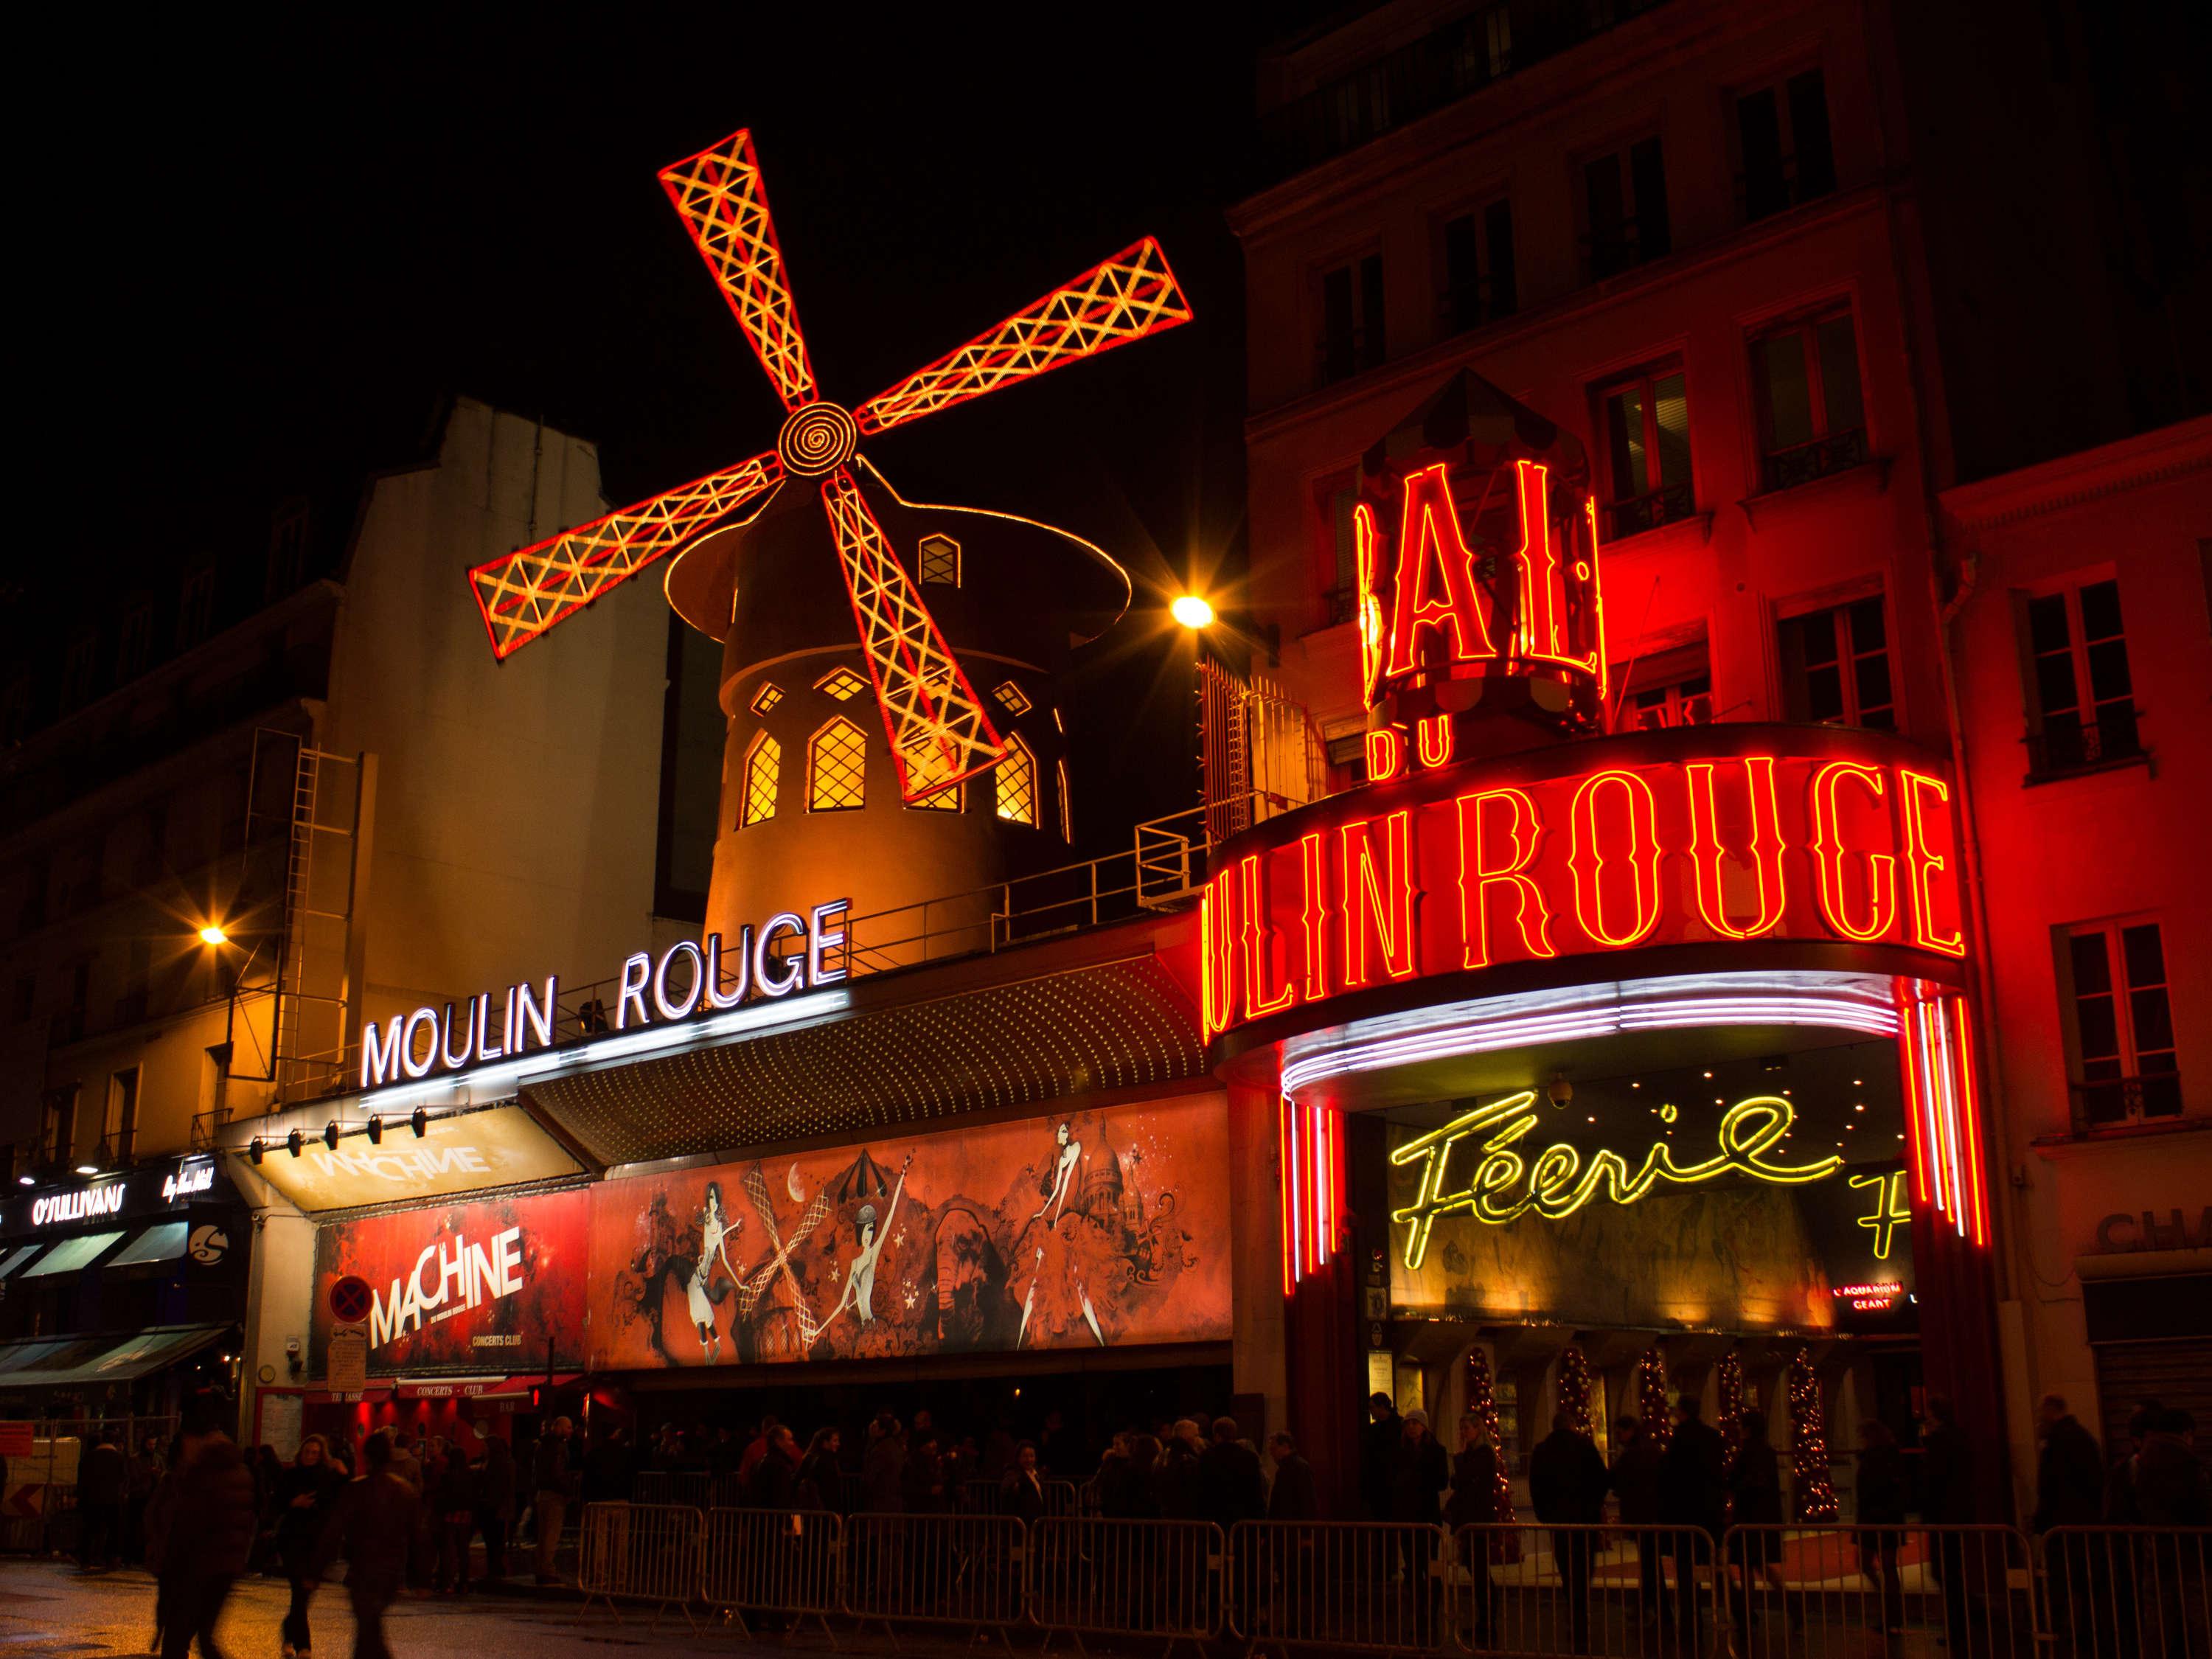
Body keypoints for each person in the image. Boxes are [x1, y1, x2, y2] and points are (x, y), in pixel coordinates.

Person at [156, 1406, 257, 1659]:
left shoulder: (203, 1472)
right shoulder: (238, 1469)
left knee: (178, 1638)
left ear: (195, 1439)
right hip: (225, 1566)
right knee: (204, 1636)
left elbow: (188, 1524)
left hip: (199, 1566)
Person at [316, 1432, 420, 1659]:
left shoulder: (357, 1489)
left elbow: (334, 1531)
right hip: (391, 1571)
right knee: (369, 1629)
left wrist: (316, 1569)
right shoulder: (404, 1490)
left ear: (367, 1458)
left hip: (364, 1569)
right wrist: (420, 1576)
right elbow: (418, 1535)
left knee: (368, 1630)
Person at [1531, 1411, 1608, 1654]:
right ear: (1572, 1424)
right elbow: (1601, 1479)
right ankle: (1581, 1607)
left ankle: (1573, 1605)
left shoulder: (1543, 1450)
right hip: (1585, 1518)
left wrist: (1544, 1514)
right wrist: (1594, 1506)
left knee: (1566, 1565)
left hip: (1558, 1519)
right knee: (1584, 1565)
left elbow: (1536, 1485)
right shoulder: (1584, 1447)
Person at [1657, 1394, 1725, 1652]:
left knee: (1687, 1572)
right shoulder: (1712, 1437)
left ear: (1683, 1412)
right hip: (1709, 1513)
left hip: (1686, 1514)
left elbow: (1669, 1476)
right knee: (1715, 1565)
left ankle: (1690, 1622)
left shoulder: (1680, 1440)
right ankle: (1740, 1609)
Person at [1725, 1409, 1792, 1633]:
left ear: (1748, 1429)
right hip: (1762, 1516)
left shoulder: (1749, 1453)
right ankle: (1786, 1605)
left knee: (1749, 1565)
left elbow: (1742, 1482)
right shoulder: (1766, 1452)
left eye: (1741, 1426)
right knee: (1757, 1565)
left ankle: (1750, 1609)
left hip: (1749, 1517)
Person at [276, 1436, 343, 1657]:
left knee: (304, 1595)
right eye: (308, 1452)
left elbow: (340, 1500)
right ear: (301, 1453)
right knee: (299, 1590)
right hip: (293, 1540)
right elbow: (276, 1502)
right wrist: (293, 1503)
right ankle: (304, 1646)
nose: (311, 1456)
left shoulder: (326, 1477)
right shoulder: (290, 1476)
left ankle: (288, 1632)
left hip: (316, 1543)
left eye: (315, 1452)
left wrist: (343, 1473)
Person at [1389, 1410, 1450, 1644]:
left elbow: (1441, 1481)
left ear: (1424, 1427)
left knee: (1430, 1567)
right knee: (1413, 1569)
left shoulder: (1436, 1451)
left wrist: (1418, 1478)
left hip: (1427, 1518)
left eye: (1416, 1423)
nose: (1412, 1427)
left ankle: (1431, 1615)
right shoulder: (1400, 1452)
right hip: (1408, 1518)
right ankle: (1417, 1615)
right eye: (1409, 1424)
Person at [1448, 1415, 1504, 1647]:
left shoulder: (1483, 1454)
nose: (1463, 1433)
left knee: (1479, 1569)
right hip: (1468, 1518)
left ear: (1478, 1429)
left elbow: (1463, 1477)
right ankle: (1484, 1618)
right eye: (1461, 1428)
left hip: (1478, 1518)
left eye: (1467, 1428)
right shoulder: (1473, 1454)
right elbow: (1457, 1481)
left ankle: (1488, 1618)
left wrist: (1460, 1458)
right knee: (1474, 1567)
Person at [1610, 1414, 1669, 1627]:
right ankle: (1649, 1605)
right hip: (1654, 1512)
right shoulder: (1652, 1449)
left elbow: (1616, 1479)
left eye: (1619, 1433)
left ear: (1629, 1431)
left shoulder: (1632, 1454)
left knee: (1650, 1563)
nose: (1618, 1437)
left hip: (1640, 1513)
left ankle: (1660, 1610)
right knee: (1651, 1562)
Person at [1854, 1419, 1908, 1636]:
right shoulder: (1890, 1457)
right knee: (1887, 1566)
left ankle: (1890, 1610)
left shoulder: (1874, 1460)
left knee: (1874, 1564)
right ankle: (1892, 1612)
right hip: (1887, 1517)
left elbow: (1869, 1490)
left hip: (1874, 1517)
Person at [530, 1416, 574, 1585]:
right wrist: (567, 1491)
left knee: (543, 1534)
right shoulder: (558, 1447)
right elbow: (558, 1472)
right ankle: (548, 1569)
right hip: (555, 1494)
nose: (571, 1431)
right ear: (559, 1428)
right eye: (568, 1427)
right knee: (551, 1534)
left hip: (543, 1493)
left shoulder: (541, 1445)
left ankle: (541, 1568)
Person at [77, 1428, 128, 1572]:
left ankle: (86, 1559)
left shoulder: (88, 1457)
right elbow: (123, 1479)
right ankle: (111, 1559)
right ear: (114, 1442)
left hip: (91, 1499)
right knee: (114, 1530)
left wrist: (80, 1496)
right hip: (112, 1500)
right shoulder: (119, 1458)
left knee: (89, 1529)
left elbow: (82, 1479)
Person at [432, 1441, 479, 1595]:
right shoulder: (470, 1474)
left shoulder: (447, 1475)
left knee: (448, 1551)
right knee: (463, 1550)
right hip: (466, 1515)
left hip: (450, 1515)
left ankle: (448, 1583)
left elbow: (442, 1496)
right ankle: (464, 1581)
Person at [473, 1436, 515, 1583]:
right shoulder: (496, 1463)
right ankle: (495, 1568)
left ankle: (495, 1568)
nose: (482, 1449)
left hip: (494, 1507)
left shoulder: (497, 1464)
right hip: (492, 1506)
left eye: (485, 1446)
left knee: (494, 1539)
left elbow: (497, 1488)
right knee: (493, 1539)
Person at [127, 1433, 167, 1565]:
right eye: (150, 1444)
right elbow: (132, 1478)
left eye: (154, 1444)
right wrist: (147, 1474)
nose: (152, 1447)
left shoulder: (157, 1458)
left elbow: (163, 1475)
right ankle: (136, 1555)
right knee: (137, 1527)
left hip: (152, 1496)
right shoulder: (135, 1460)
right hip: (139, 1497)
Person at [1360, 1392, 1402, 1521]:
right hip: (1379, 1485)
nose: (1370, 1411)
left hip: (1391, 1484)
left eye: (1372, 1407)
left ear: (1382, 1407)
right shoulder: (1396, 1425)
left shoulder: (1399, 1426)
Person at [1267, 1433, 1317, 1520]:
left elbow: (1307, 1500)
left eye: (1274, 1449)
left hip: (1293, 1526)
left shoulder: (1298, 1467)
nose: (1271, 1453)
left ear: (1285, 1447)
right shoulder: (1287, 1468)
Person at [862, 1414, 905, 1513]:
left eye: (875, 1426)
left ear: (883, 1431)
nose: (872, 1429)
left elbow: (871, 1475)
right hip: (893, 1498)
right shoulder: (894, 1446)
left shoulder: (881, 1449)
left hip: (882, 1499)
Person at [1000, 1441, 1048, 1523]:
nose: (1029, 1459)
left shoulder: (1036, 1474)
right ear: (1018, 1458)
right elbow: (1006, 1491)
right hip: (1021, 1522)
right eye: (1025, 1456)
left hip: (1037, 1520)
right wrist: (1015, 1488)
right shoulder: (1013, 1474)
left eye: (1032, 1456)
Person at [795, 1427, 841, 1512]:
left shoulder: (809, 1457)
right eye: (835, 1441)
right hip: (825, 1508)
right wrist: (837, 1510)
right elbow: (831, 1488)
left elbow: (797, 1478)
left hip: (809, 1508)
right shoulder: (828, 1459)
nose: (838, 1444)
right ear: (825, 1443)